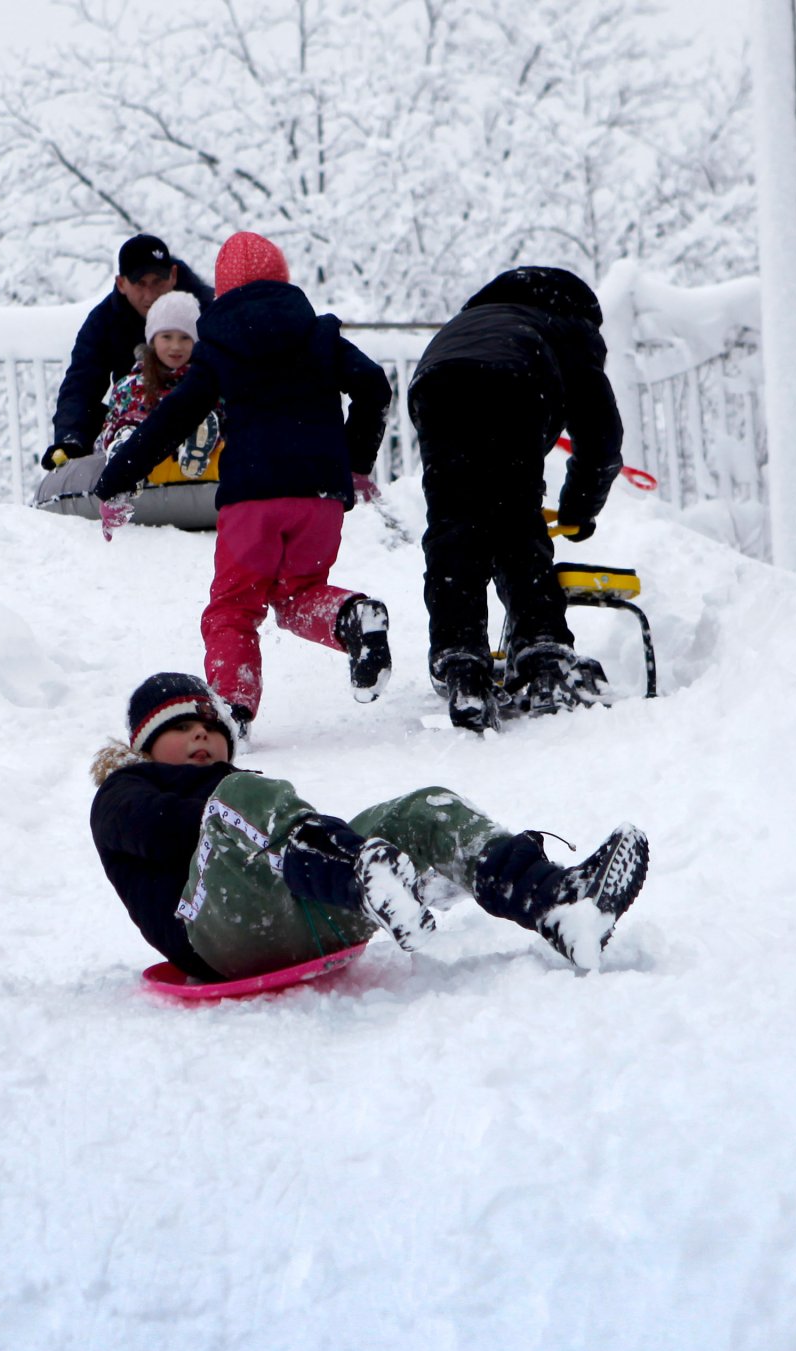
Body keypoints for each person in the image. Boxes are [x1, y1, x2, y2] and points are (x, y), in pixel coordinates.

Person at [90, 673, 650, 983]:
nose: (201, 738)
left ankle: (554, 904)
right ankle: (368, 881)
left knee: (423, 808)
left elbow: (273, 825)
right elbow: (163, 831)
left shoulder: (241, 794)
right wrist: (238, 808)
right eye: (181, 727)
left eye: (212, 728)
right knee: (244, 796)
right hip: (219, 935)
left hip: (302, 912)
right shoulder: (125, 790)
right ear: (142, 746)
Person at [93, 234, 396, 729]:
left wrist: (116, 479)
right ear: (284, 280)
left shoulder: (218, 348)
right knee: (300, 596)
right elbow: (374, 386)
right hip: (319, 496)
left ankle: (233, 709)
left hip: (252, 499)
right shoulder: (319, 335)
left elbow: (173, 417)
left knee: (233, 608)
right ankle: (351, 618)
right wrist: (354, 461)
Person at [408, 266, 624, 729]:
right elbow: (600, 436)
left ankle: (461, 660)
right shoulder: (568, 327)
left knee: (454, 527)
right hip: (514, 381)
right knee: (516, 526)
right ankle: (543, 652)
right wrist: (579, 510)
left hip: (437, 384)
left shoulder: (476, 319)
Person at [44, 234, 216, 471]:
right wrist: (71, 438)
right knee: (108, 416)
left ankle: (196, 444)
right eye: (140, 284)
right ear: (121, 284)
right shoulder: (105, 322)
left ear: (173, 276)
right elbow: (81, 386)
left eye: (158, 281)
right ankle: (123, 447)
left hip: (196, 409)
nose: (150, 295)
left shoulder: (207, 309)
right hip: (138, 413)